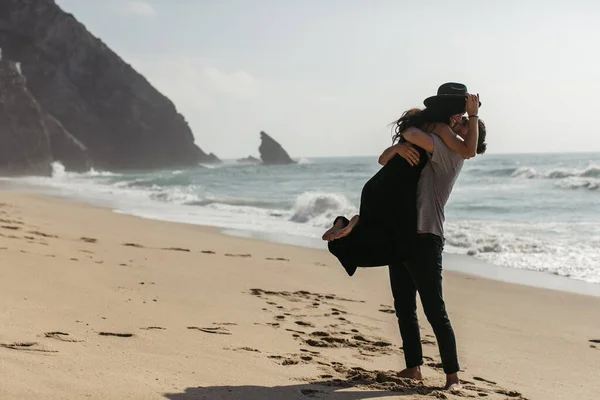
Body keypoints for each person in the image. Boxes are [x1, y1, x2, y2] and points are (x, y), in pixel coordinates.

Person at [324, 83, 486, 279]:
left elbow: (384, 159)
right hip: (392, 191)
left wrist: (397, 148)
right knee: (394, 249)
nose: (462, 117)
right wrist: (474, 114)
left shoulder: (424, 127)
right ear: (450, 111)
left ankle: (348, 223)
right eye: (461, 114)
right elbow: (469, 150)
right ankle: (351, 224)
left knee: (376, 238)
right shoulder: (440, 129)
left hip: (377, 187)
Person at [387, 91, 482, 391]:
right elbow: (406, 138)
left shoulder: (450, 152)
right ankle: (414, 367)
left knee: (433, 309)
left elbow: (413, 131)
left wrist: (445, 126)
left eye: (465, 125)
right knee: (403, 305)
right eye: (460, 120)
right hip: (404, 234)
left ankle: (452, 376)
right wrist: (398, 151)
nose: (460, 122)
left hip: (427, 237)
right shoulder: (438, 145)